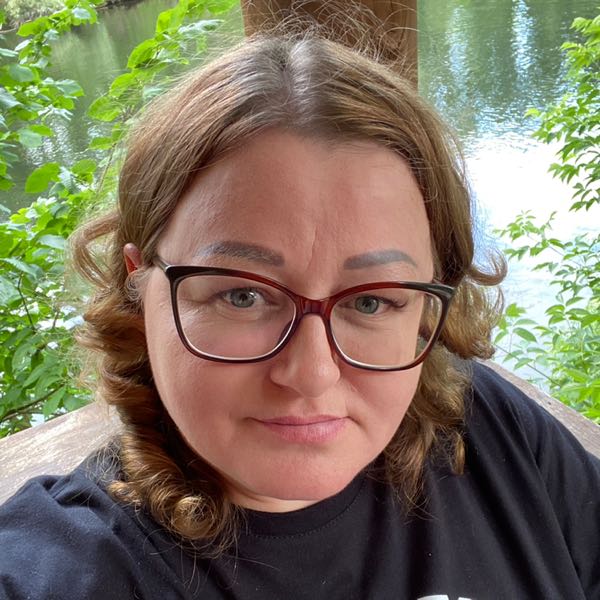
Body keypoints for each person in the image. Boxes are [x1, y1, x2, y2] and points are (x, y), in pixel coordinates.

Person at [0, 32, 599, 600]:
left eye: (371, 301)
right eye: (242, 295)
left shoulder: (487, 430)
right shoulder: (65, 569)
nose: (312, 374)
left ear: (426, 302)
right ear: (139, 285)